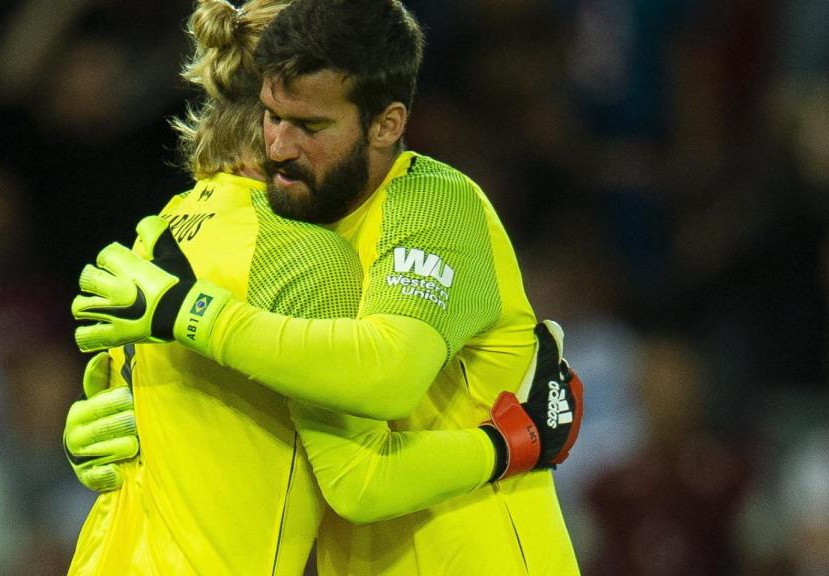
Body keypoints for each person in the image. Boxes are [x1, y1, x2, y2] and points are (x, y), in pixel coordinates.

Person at [65, 1, 581, 575]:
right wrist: (120, 429)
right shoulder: (296, 232)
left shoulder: (434, 205)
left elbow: (386, 378)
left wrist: (191, 315)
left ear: (386, 123)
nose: (281, 146)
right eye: (272, 118)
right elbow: (344, 469)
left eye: (310, 127)